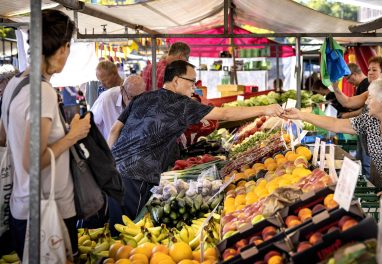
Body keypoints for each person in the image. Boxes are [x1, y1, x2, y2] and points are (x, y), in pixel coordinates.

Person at [108, 60, 284, 221]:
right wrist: (265, 109)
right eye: (192, 82)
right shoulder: (181, 104)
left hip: (112, 167)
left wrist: (109, 161)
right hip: (137, 174)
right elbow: (224, 114)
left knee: (110, 220)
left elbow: (115, 130)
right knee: (127, 224)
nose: (194, 87)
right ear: (176, 80)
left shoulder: (142, 98)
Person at [283, 79, 382, 228]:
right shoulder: (369, 121)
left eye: (370, 98)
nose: (366, 102)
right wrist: (301, 115)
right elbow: (336, 124)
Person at [0, 10, 91, 260]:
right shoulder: (44, 92)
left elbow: (3, 138)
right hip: (49, 211)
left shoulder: (14, 86)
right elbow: (32, 161)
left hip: (21, 207)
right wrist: (74, 134)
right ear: (63, 48)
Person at [332, 57, 382, 180]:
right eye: (369, 69)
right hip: (366, 138)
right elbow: (348, 102)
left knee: (373, 174)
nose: (369, 72)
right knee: (368, 173)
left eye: (374, 70)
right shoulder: (370, 92)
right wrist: (336, 87)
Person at [91, 75, 145, 139]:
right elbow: (91, 124)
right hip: (108, 145)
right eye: (131, 97)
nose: (135, 102)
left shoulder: (142, 100)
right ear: (122, 89)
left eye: (139, 97)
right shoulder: (106, 98)